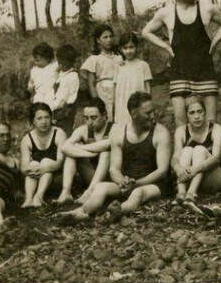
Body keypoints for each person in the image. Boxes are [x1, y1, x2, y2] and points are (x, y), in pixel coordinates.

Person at [54, 91, 170, 224]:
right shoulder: (120, 134)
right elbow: (114, 169)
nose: (152, 116)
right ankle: (80, 212)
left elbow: (162, 171)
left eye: (152, 111)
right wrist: (122, 181)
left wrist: (136, 184)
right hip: (127, 184)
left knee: (138, 193)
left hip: (153, 184)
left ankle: (115, 213)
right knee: (100, 187)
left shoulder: (161, 133)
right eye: (148, 113)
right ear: (134, 114)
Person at [141, 0, 221, 126]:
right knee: (181, 122)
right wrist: (166, 47)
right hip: (180, 71)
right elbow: (146, 32)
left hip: (205, 69)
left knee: (210, 121)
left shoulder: (207, 8)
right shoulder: (166, 12)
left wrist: (215, 41)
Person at [170, 95, 221, 209]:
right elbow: (175, 158)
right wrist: (178, 170)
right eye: (192, 113)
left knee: (199, 149)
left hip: (213, 178)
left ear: (205, 112)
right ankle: (181, 194)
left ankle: (191, 194)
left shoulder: (216, 128)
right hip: (189, 178)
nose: (196, 116)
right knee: (186, 150)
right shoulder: (181, 131)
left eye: (199, 111)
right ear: (187, 115)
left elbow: (217, 158)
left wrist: (196, 169)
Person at [56, 98, 114, 205]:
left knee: (105, 152)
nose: (89, 122)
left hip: (110, 180)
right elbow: (65, 147)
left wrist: (80, 147)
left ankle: (89, 192)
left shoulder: (114, 128)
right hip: (91, 175)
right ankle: (66, 193)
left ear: (104, 115)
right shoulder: (83, 130)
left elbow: (107, 144)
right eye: (86, 118)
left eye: (93, 118)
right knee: (70, 154)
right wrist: (90, 154)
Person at [20, 102, 67, 208]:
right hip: (37, 179)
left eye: (47, 117)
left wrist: (45, 168)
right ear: (33, 121)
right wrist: (31, 169)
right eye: (39, 118)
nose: (44, 122)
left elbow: (60, 162)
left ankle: (39, 196)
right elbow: (23, 167)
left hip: (57, 178)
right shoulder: (27, 139)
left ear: (51, 118)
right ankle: (28, 199)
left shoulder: (59, 133)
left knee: (46, 161)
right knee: (33, 164)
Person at [80, 24, 122, 121]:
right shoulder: (94, 59)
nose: (109, 40)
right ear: (98, 40)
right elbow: (91, 84)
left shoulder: (119, 57)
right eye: (105, 37)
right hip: (103, 93)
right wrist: (97, 102)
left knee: (120, 117)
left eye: (111, 36)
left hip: (119, 90)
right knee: (107, 118)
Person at [112, 32, 153, 126]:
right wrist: (114, 107)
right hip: (122, 104)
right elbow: (115, 89)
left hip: (138, 103)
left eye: (131, 47)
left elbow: (148, 88)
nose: (128, 51)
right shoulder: (119, 67)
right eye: (125, 48)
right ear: (121, 49)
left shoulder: (143, 65)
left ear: (136, 47)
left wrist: (149, 107)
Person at [51, 44, 80, 134]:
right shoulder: (63, 73)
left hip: (64, 110)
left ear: (72, 62)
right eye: (59, 62)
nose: (60, 65)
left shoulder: (71, 77)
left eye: (64, 63)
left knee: (62, 134)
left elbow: (61, 99)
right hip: (59, 109)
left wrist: (49, 108)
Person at [28, 42, 58, 107]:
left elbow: (62, 63)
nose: (36, 63)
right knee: (37, 109)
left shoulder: (53, 66)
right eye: (35, 60)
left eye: (38, 60)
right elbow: (31, 81)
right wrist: (30, 87)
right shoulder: (34, 70)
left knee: (49, 109)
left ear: (47, 58)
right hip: (38, 94)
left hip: (50, 95)